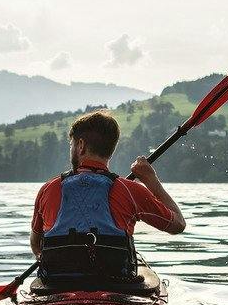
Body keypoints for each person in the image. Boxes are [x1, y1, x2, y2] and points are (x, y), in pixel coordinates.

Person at [30, 110, 185, 287]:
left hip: (57, 284)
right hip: (116, 284)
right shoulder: (131, 190)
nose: (71, 149)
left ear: (81, 145)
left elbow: (37, 245)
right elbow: (178, 225)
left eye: (71, 145)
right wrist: (151, 180)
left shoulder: (48, 189)